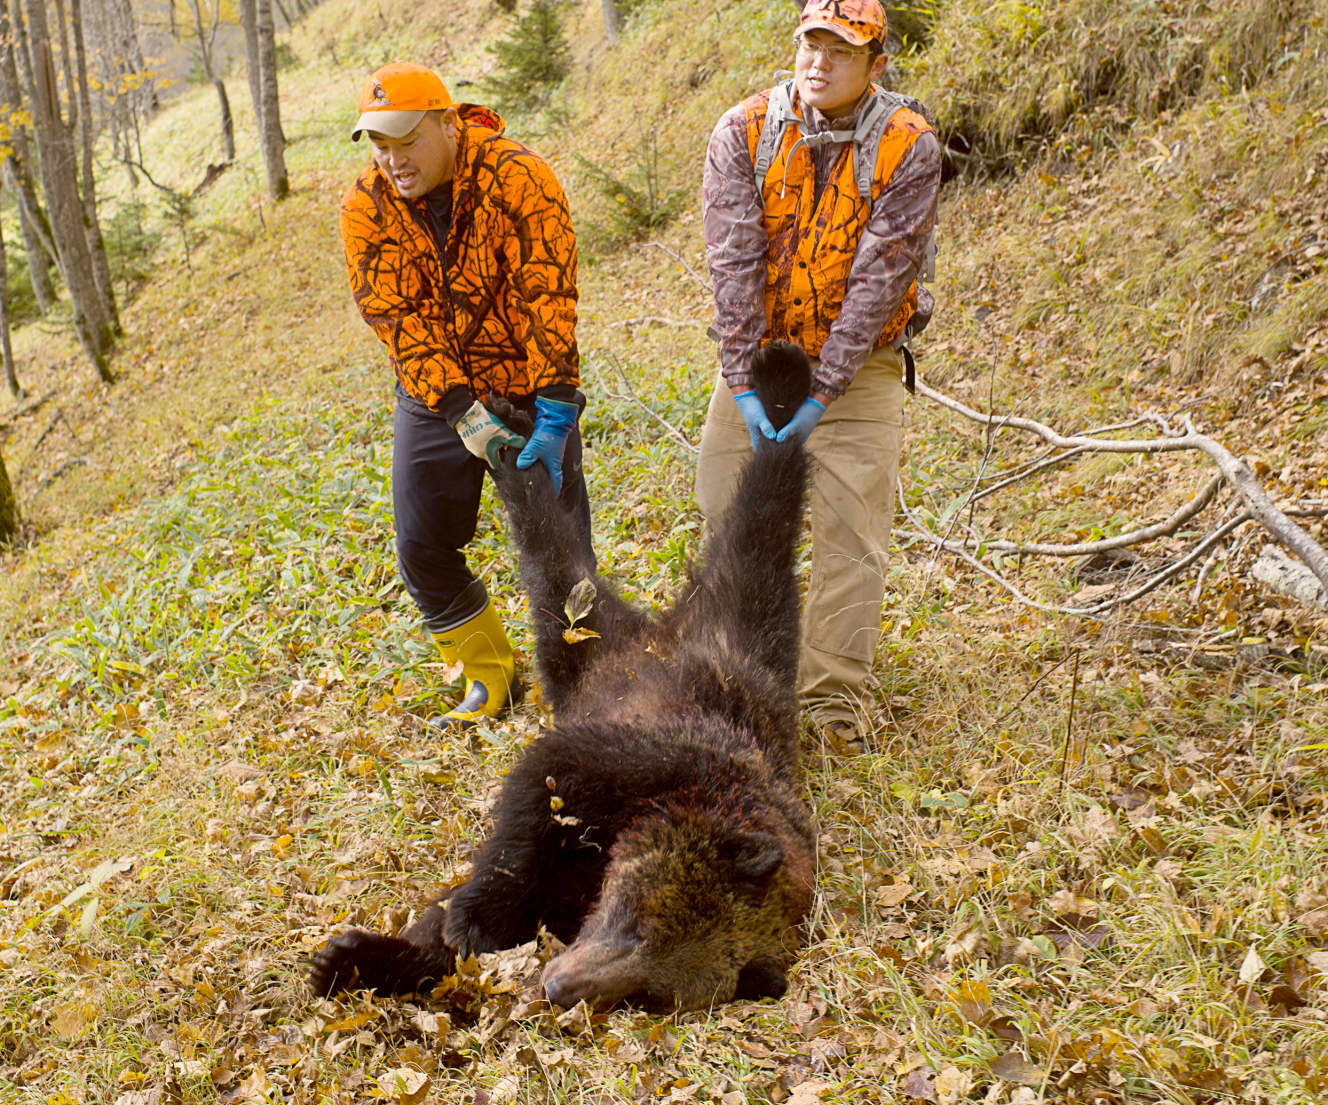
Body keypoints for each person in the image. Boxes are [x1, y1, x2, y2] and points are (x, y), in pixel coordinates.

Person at [696, 0, 941, 751]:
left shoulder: (910, 147)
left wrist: (825, 393)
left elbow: (880, 283)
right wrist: (743, 382)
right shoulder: (741, 131)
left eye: (841, 48)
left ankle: (831, 709)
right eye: (811, 43)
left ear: (877, 62)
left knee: (851, 530)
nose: (820, 61)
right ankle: (726, 679)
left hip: (861, 365)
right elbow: (733, 265)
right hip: (762, 355)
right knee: (724, 509)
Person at [340, 61, 592, 728]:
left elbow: (548, 294)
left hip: (530, 379)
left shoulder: (519, 178)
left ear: (450, 124)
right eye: (380, 146)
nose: (393, 160)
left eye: (407, 141)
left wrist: (556, 407)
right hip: (434, 389)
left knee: (561, 544)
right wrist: (459, 411)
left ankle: (580, 682)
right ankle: (488, 673)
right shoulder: (365, 209)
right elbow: (397, 318)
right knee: (422, 544)